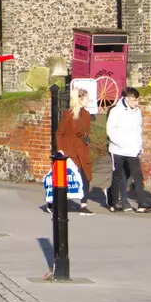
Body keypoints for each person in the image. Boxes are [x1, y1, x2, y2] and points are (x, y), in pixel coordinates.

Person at [107, 87, 151, 213]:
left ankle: (142, 203)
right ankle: (115, 202)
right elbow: (110, 129)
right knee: (117, 175)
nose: (136, 103)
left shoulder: (137, 111)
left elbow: (138, 130)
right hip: (118, 149)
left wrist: (139, 146)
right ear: (126, 99)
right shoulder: (116, 111)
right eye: (133, 100)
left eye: (137, 100)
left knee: (137, 176)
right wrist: (120, 143)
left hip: (133, 150)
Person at [53, 86, 96, 214]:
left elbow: (87, 133)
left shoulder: (87, 115)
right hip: (69, 151)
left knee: (85, 177)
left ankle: (83, 205)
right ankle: (59, 203)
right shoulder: (68, 114)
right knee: (69, 179)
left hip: (82, 151)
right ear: (79, 99)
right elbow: (59, 132)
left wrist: (85, 139)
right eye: (86, 98)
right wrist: (60, 149)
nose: (88, 100)